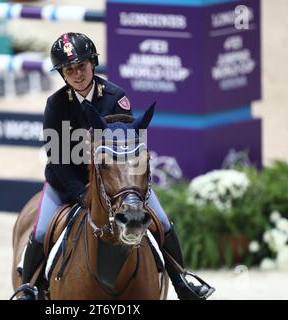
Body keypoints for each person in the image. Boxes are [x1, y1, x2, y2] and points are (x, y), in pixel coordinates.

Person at [17, 32, 213, 300]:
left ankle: (182, 281)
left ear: (93, 64)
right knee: (40, 231)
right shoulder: (56, 105)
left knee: (162, 222)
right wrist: (81, 194)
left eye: (81, 67)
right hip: (65, 184)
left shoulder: (114, 97)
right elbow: (58, 159)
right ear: (62, 74)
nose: (77, 75)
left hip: (117, 182)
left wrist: (122, 186)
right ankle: (28, 289)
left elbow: (128, 149)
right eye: (69, 70)